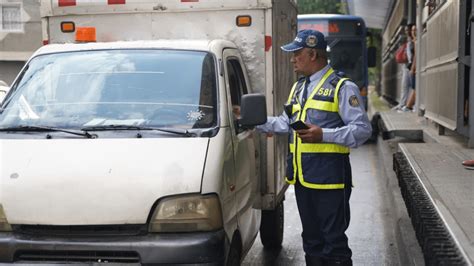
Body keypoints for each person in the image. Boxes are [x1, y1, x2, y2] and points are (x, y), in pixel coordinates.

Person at [256, 29, 372, 266]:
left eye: (296, 54)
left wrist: (323, 135)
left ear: (312, 54)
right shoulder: (299, 87)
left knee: (334, 244)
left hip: (330, 180)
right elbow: (285, 123)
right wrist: (254, 121)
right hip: (303, 179)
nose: (292, 59)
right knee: (311, 241)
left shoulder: (342, 86)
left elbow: (362, 130)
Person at [393, 25, 413, 111]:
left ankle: (408, 105)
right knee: (405, 85)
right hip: (406, 66)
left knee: (411, 86)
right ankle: (403, 104)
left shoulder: (413, 41)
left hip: (411, 66)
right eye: (406, 30)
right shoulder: (407, 42)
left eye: (408, 30)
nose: (407, 32)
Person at [400, 24, 417, 112]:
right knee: (412, 87)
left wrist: (413, 68)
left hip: (414, 68)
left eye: (414, 30)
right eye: (412, 30)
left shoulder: (416, 42)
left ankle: (409, 106)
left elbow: (415, 56)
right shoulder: (411, 41)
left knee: (414, 88)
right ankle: (407, 106)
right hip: (410, 67)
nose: (411, 32)